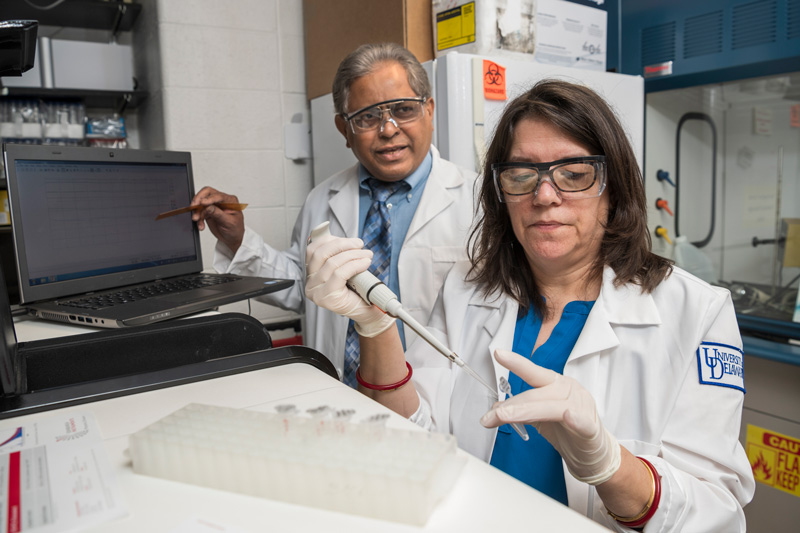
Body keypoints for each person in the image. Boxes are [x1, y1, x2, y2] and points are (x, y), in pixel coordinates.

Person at [305, 79, 755, 531]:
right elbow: (415, 435)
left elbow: (718, 511)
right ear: (502, 193)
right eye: (521, 175)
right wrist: (375, 324)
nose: (544, 196)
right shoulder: (467, 289)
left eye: (574, 174)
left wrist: (609, 464)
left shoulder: (695, 311)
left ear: (613, 186)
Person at [189, 43, 477, 386]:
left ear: (428, 111)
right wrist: (239, 240)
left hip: (433, 399)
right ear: (344, 130)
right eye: (368, 117)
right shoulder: (322, 199)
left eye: (403, 109)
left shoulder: (478, 202)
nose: (388, 129)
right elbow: (304, 287)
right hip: (340, 392)